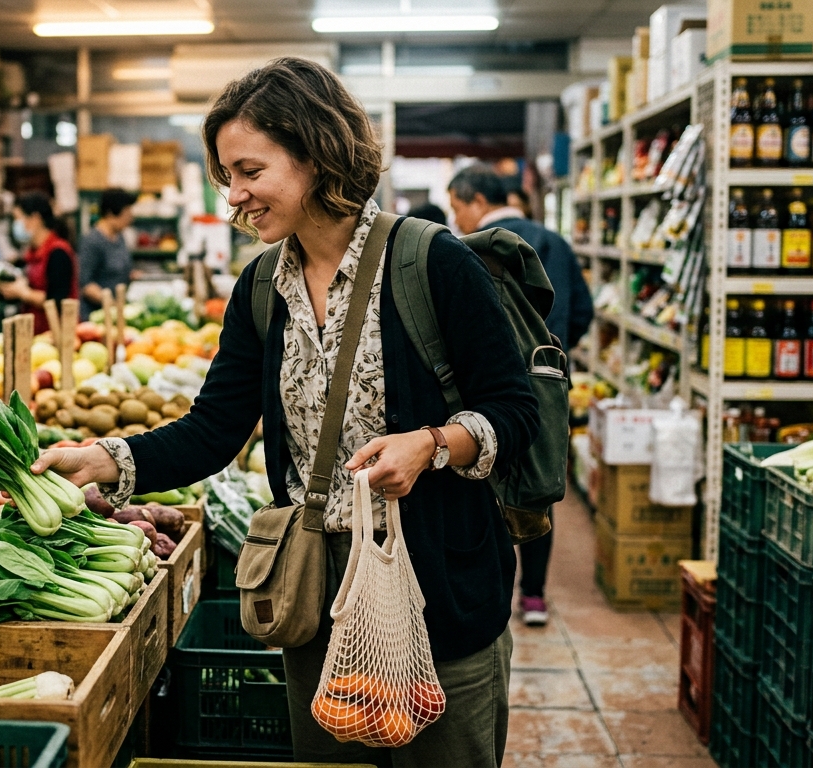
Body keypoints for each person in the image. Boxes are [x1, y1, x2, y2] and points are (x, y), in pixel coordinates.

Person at [33, 57, 538, 766]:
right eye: (225, 176)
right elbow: (215, 429)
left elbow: (517, 414)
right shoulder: (262, 289)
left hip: (440, 595)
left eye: (249, 171)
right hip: (316, 602)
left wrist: (432, 443)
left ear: (316, 153)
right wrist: (109, 459)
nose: (234, 196)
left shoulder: (432, 264)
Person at [447, 164, 593, 628]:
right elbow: (585, 311)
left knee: (482, 482)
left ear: (477, 202)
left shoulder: (466, 253)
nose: (458, 221)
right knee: (537, 486)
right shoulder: (556, 242)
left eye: (458, 209)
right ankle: (533, 596)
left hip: (483, 391)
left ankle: (489, 590)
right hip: (549, 385)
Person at [0, 192, 78, 333]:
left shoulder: (58, 253)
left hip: (58, 334)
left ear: (35, 219)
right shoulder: (31, 253)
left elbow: (57, 301)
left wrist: (24, 293)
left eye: (18, 218)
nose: (16, 225)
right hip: (35, 333)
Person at [78, 188, 139, 318]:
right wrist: (112, 304)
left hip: (118, 313)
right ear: (111, 214)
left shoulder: (120, 237)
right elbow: (86, 284)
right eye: (126, 214)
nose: (130, 218)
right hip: (97, 315)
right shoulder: (92, 242)